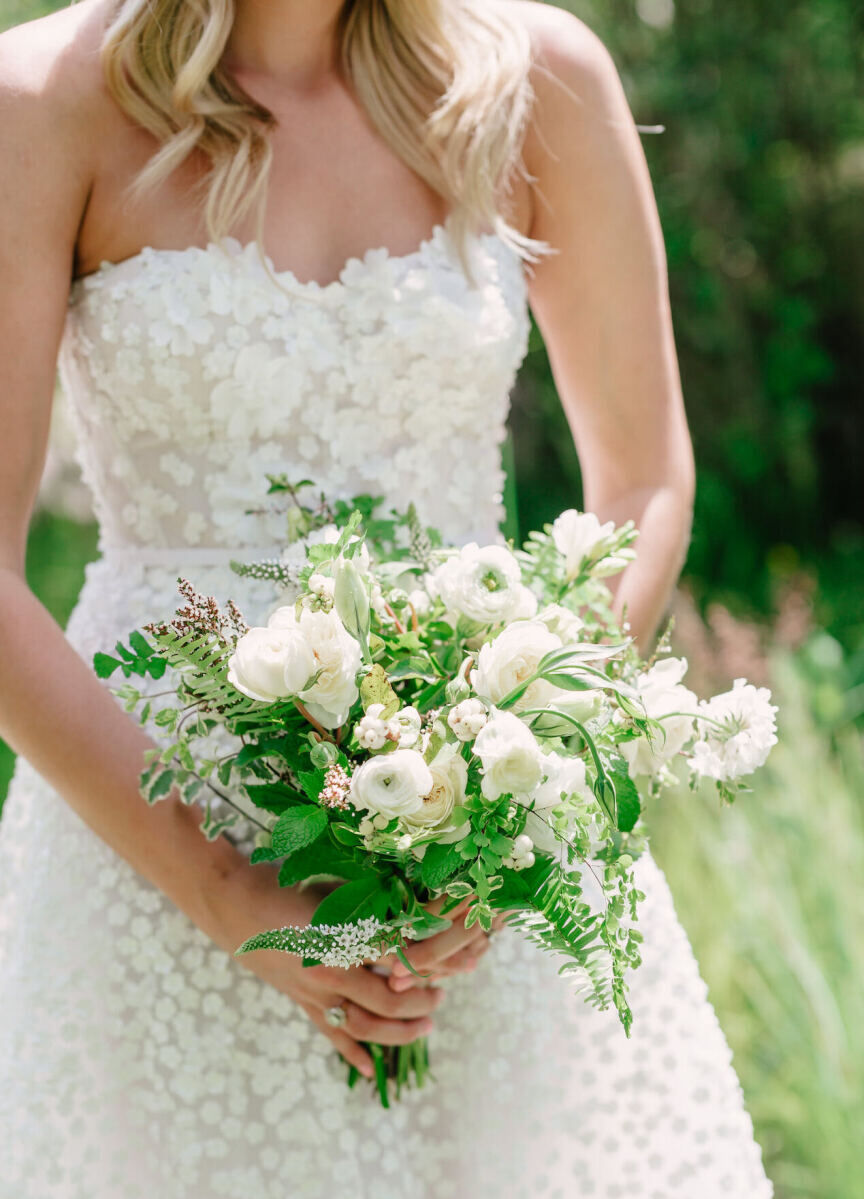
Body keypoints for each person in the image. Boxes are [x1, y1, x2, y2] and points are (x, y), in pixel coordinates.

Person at [0, 1, 773, 1195]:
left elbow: (643, 475)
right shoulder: (39, 99)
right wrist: (229, 892)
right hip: (151, 844)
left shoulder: (541, 77)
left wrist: (517, 774)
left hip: (485, 876)